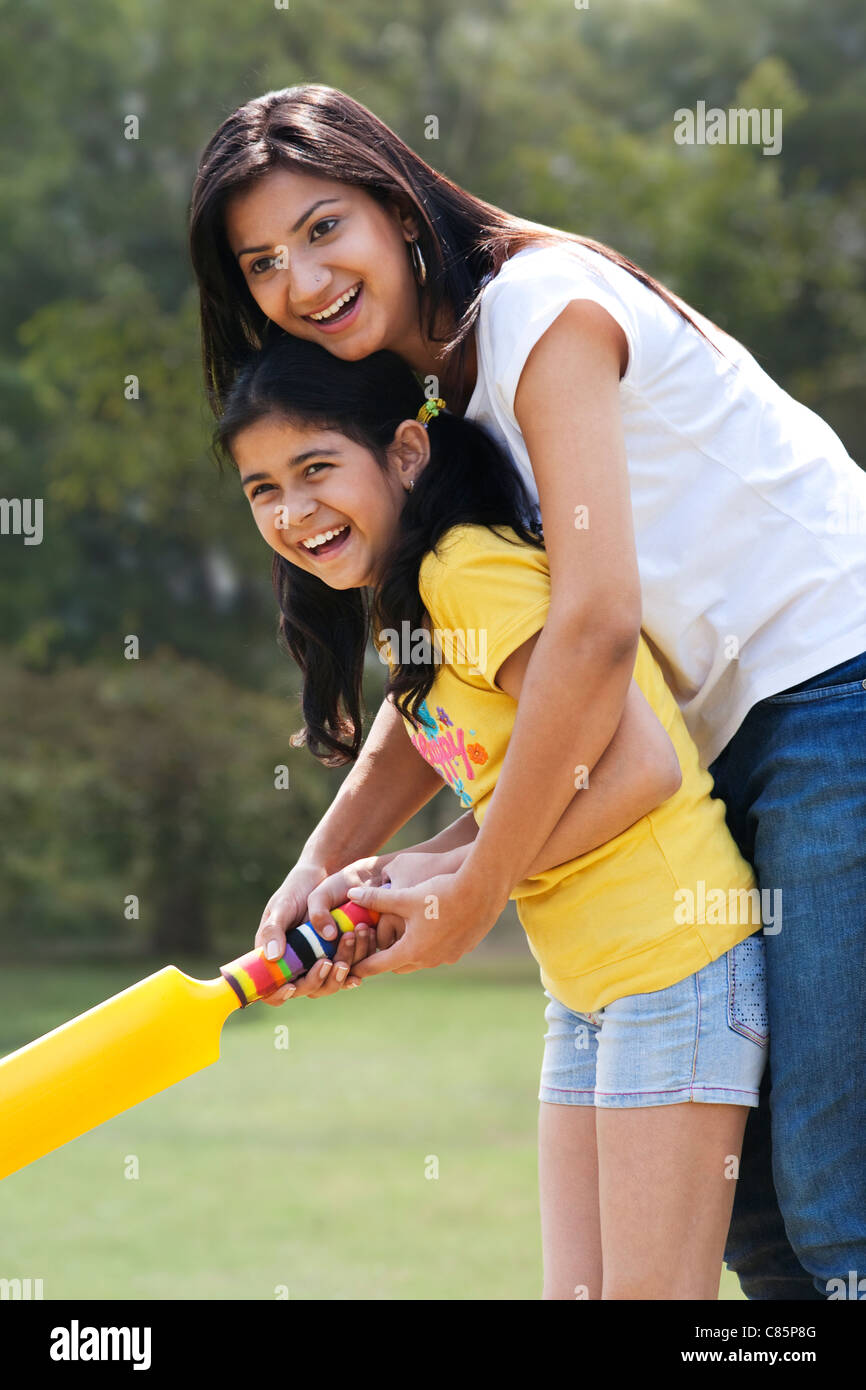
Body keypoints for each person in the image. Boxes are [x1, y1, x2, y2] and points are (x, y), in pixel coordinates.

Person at [189, 83, 866, 1298]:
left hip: (833, 681)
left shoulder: (538, 314)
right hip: (723, 726)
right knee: (757, 1227)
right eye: (260, 263)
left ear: (397, 203)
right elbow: (460, 665)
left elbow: (595, 627)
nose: (297, 279)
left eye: (321, 227)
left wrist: (474, 887)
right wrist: (327, 858)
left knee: (833, 1191)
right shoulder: (434, 406)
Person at [215, 330, 769, 1299]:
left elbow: (636, 768)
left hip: (673, 965)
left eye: (314, 468)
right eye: (263, 488)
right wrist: (402, 870)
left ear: (404, 452)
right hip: (588, 984)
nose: (294, 511)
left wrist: (457, 885)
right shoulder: (414, 597)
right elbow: (538, 783)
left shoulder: (464, 571)